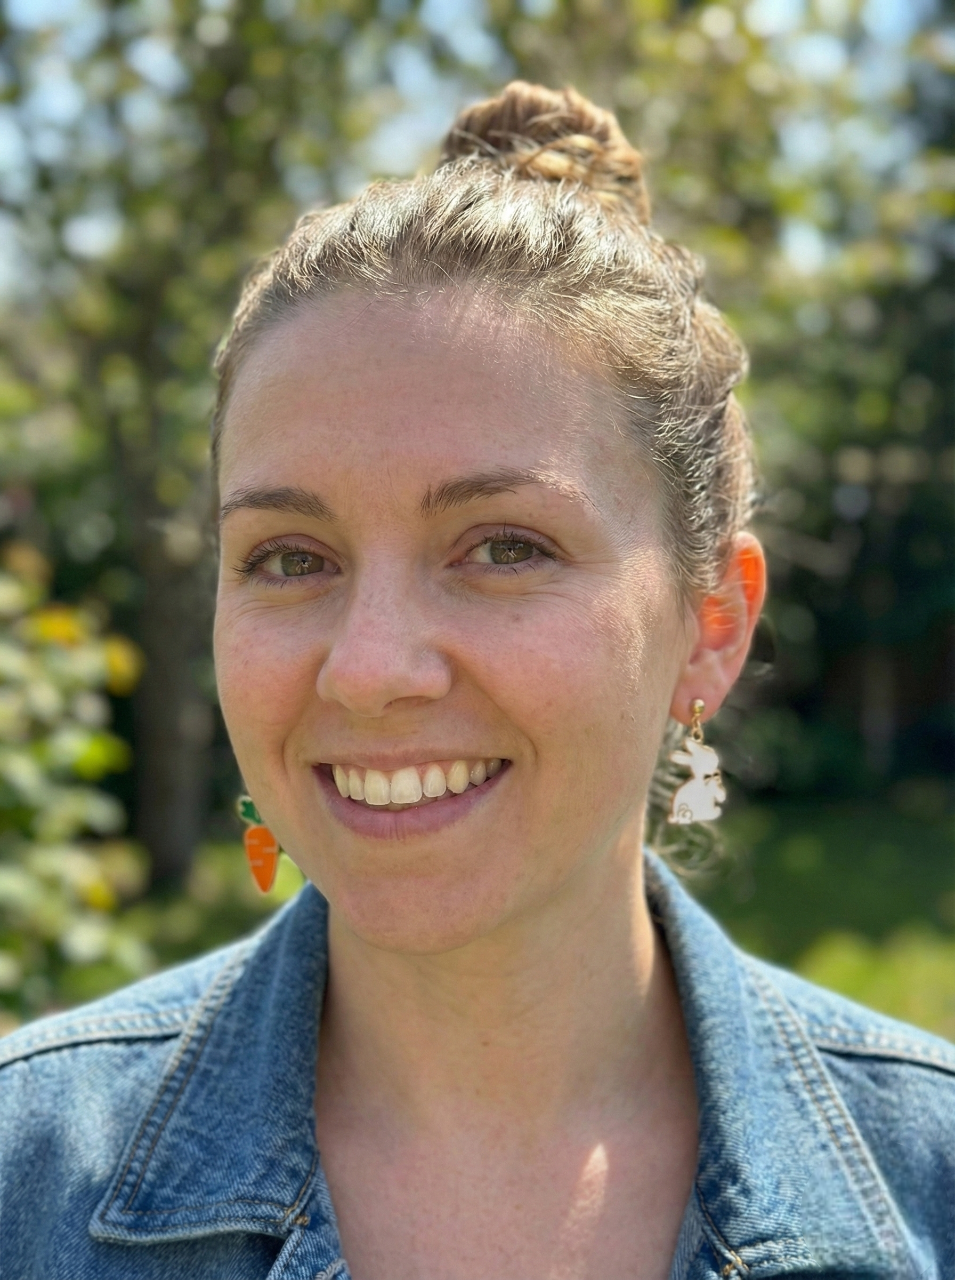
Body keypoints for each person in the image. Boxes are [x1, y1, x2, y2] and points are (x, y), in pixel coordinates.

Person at [0, 82, 951, 1280]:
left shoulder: (930, 1184)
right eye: (291, 558)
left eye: (504, 546)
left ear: (710, 621)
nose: (369, 668)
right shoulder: (23, 1177)